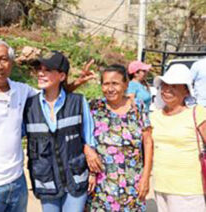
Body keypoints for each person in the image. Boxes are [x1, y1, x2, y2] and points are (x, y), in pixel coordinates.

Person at [0, 40, 97, 212]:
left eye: (4, 59)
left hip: (18, 184)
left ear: (11, 63)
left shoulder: (23, 91)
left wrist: (75, 83)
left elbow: (52, 95)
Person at [23, 51, 97, 212]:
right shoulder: (29, 106)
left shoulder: (78, 102)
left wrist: (92, 173)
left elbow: (89, 139)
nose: (41, 73)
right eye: (39, 69)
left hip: (76, 179)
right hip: (46, 180)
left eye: (48, 70)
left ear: (62, 76)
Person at [86, 64, 153, 212]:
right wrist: (87, 150)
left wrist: (146, 177)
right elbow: (82, 135)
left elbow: (148, 142)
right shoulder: (94, 107)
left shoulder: (138, 108)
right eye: (106, 84)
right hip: (101, 185)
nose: (110, 89)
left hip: (132, 182)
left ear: (126, 84)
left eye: (115, 83)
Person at [151, 64, 206, 212]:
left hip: (189, 190)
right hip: (161, 186)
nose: (167, 90)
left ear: (186, 91)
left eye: (174, 86)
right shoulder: (154, 115)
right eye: (164, 85)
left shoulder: (198, 113)